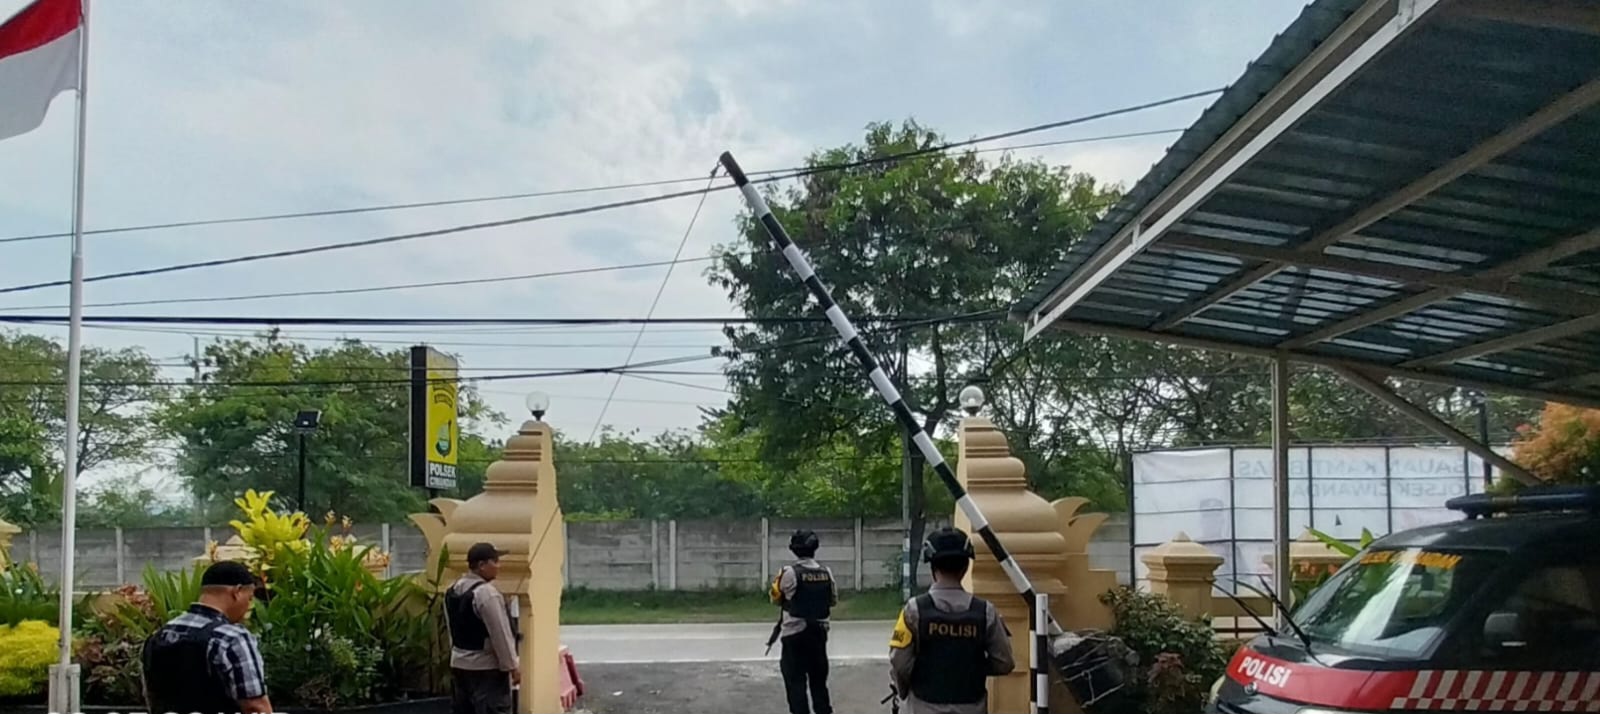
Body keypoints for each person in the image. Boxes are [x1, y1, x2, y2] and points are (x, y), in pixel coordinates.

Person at [889, 527, 1014, 714]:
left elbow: (899, 662)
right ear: (965, 568)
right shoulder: (986, 612)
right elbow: (1005, 663)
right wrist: (972, 667)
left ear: (933, 567)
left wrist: (903, 691)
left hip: (924, 707)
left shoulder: (913, 610)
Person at [141, 560, 272, 714]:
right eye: (249, 598)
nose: (249, 606)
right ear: (237, 592)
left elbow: (151, 697)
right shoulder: (232, 638)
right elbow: (255, 707)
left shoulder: (159, 636)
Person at [446, 541, 522, 714]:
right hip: (486, 670)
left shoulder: (453, 590)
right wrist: (512, 666)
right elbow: (500, 634)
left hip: (459, 665)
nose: (498, 566)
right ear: (481, 565)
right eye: (495, 562)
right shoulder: (486, 594)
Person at [768, 528, 838, 714]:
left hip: (794, 636)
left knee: (796, 684)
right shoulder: (826, 572)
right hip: (819, 635)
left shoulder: (788, 573)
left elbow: (775, 598)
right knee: (819, 684)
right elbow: (833, 601)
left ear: (794, 549)